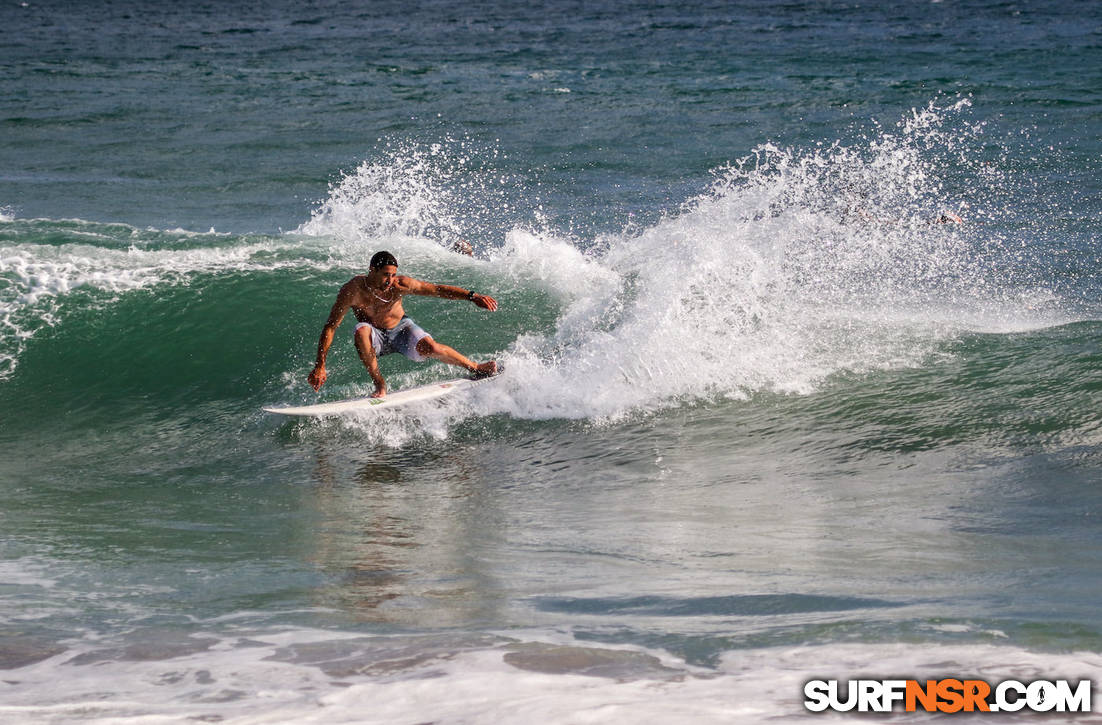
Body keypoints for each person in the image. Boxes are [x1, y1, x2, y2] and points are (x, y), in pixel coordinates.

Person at [308, 250, 498, 398]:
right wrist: (320, 365)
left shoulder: (400, 285)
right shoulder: (352, 291)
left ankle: (476, 367)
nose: (390, 280)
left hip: (401, 330)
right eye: (385, 275)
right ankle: (379, 383)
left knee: (431, 346)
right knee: (361, 330)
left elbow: (436, 289)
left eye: (393, 275)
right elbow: (331, 327)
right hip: (375, 336)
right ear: (371, 270)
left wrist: (472, 296)